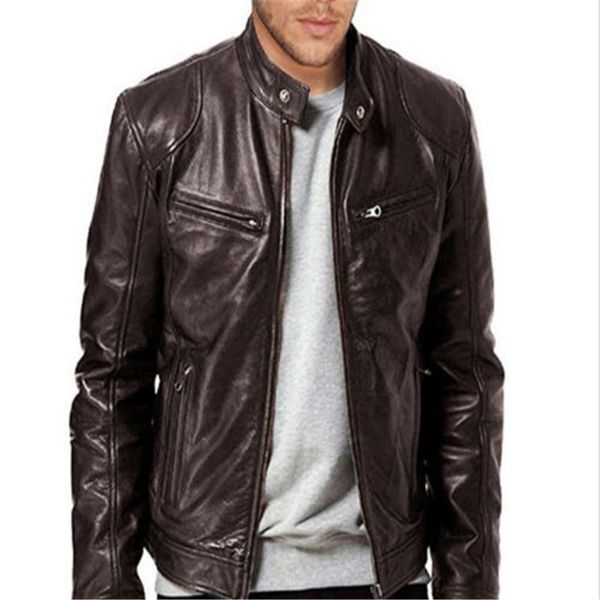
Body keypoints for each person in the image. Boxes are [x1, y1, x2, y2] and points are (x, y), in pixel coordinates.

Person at [69, 1, 505, 599]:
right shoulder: (161, 122)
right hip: (209, 577)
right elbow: (112, 379)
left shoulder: (434, 121)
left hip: (382, 577)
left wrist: (469, 589)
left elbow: (465, 375)